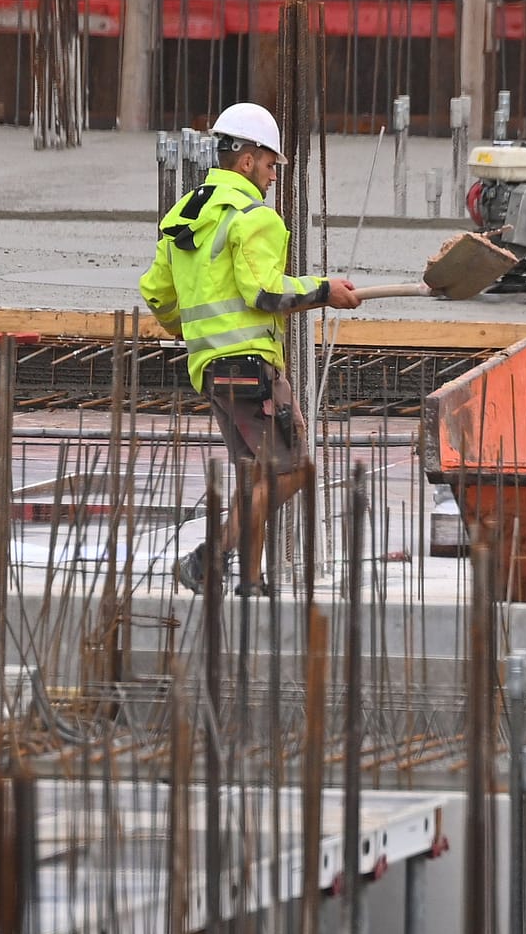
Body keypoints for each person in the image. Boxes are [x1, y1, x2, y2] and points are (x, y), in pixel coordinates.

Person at [139, 102, 360, 594]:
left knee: (253, 478)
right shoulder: (253, 217)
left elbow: (157, 291)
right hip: (251, 368)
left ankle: (251, 582)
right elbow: (264, 292)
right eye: (270, 164)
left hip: (212, 370)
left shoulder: (185, 215)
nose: (273, 175)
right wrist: (325, 291)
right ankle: (210, 556)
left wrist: (189, 331)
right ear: (246, 161)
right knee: (294, 471)